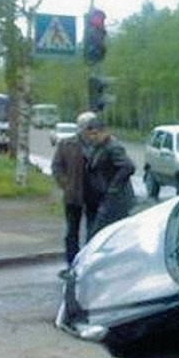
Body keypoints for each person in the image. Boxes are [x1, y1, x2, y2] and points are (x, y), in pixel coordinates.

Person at [51, 111, 98, 272]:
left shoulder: (100, 144)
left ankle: (90, 262)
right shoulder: (66, 144)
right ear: (81, 128)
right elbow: (57, 167)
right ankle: (72, 263)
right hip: (74, 195)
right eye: (88, 127)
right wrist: (66, 184)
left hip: (94, 196)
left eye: (93, 127)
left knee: (94, 231)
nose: (91, 131)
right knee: (72, 231)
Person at [82, 116, 136, 238]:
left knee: (98, 235)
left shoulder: (113, 147)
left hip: (115, 201)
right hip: (102, 199)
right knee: (100, 235)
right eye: (90, 134)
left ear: (104, 132)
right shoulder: (98, 147)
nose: (93, 137)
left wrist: (113, 188)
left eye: (96, 134)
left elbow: (128, 167)